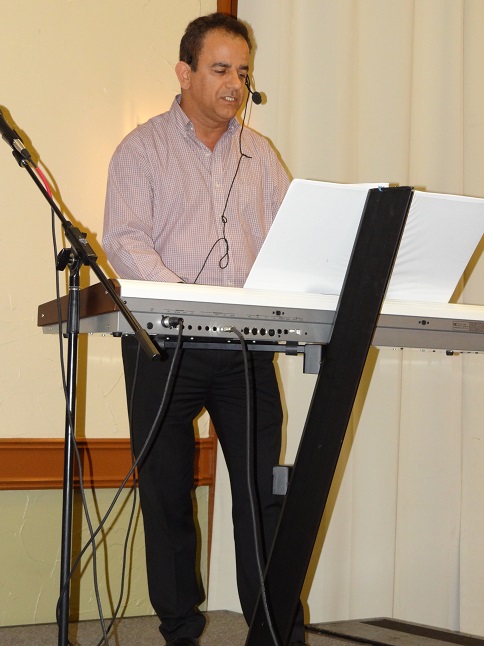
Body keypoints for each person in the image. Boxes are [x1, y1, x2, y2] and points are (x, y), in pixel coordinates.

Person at [103, 12, 306, 646]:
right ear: (184, 73)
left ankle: (274, 630)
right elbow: (124, 239)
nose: (235, 85)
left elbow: (289, 243)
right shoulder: (142, 148)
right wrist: (184, 301)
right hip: (163, 344)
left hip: (244, 346)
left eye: (243, 72)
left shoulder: (261, 156)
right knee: (167, 492)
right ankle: (181, 630)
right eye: (220, 70)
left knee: (262, 495)